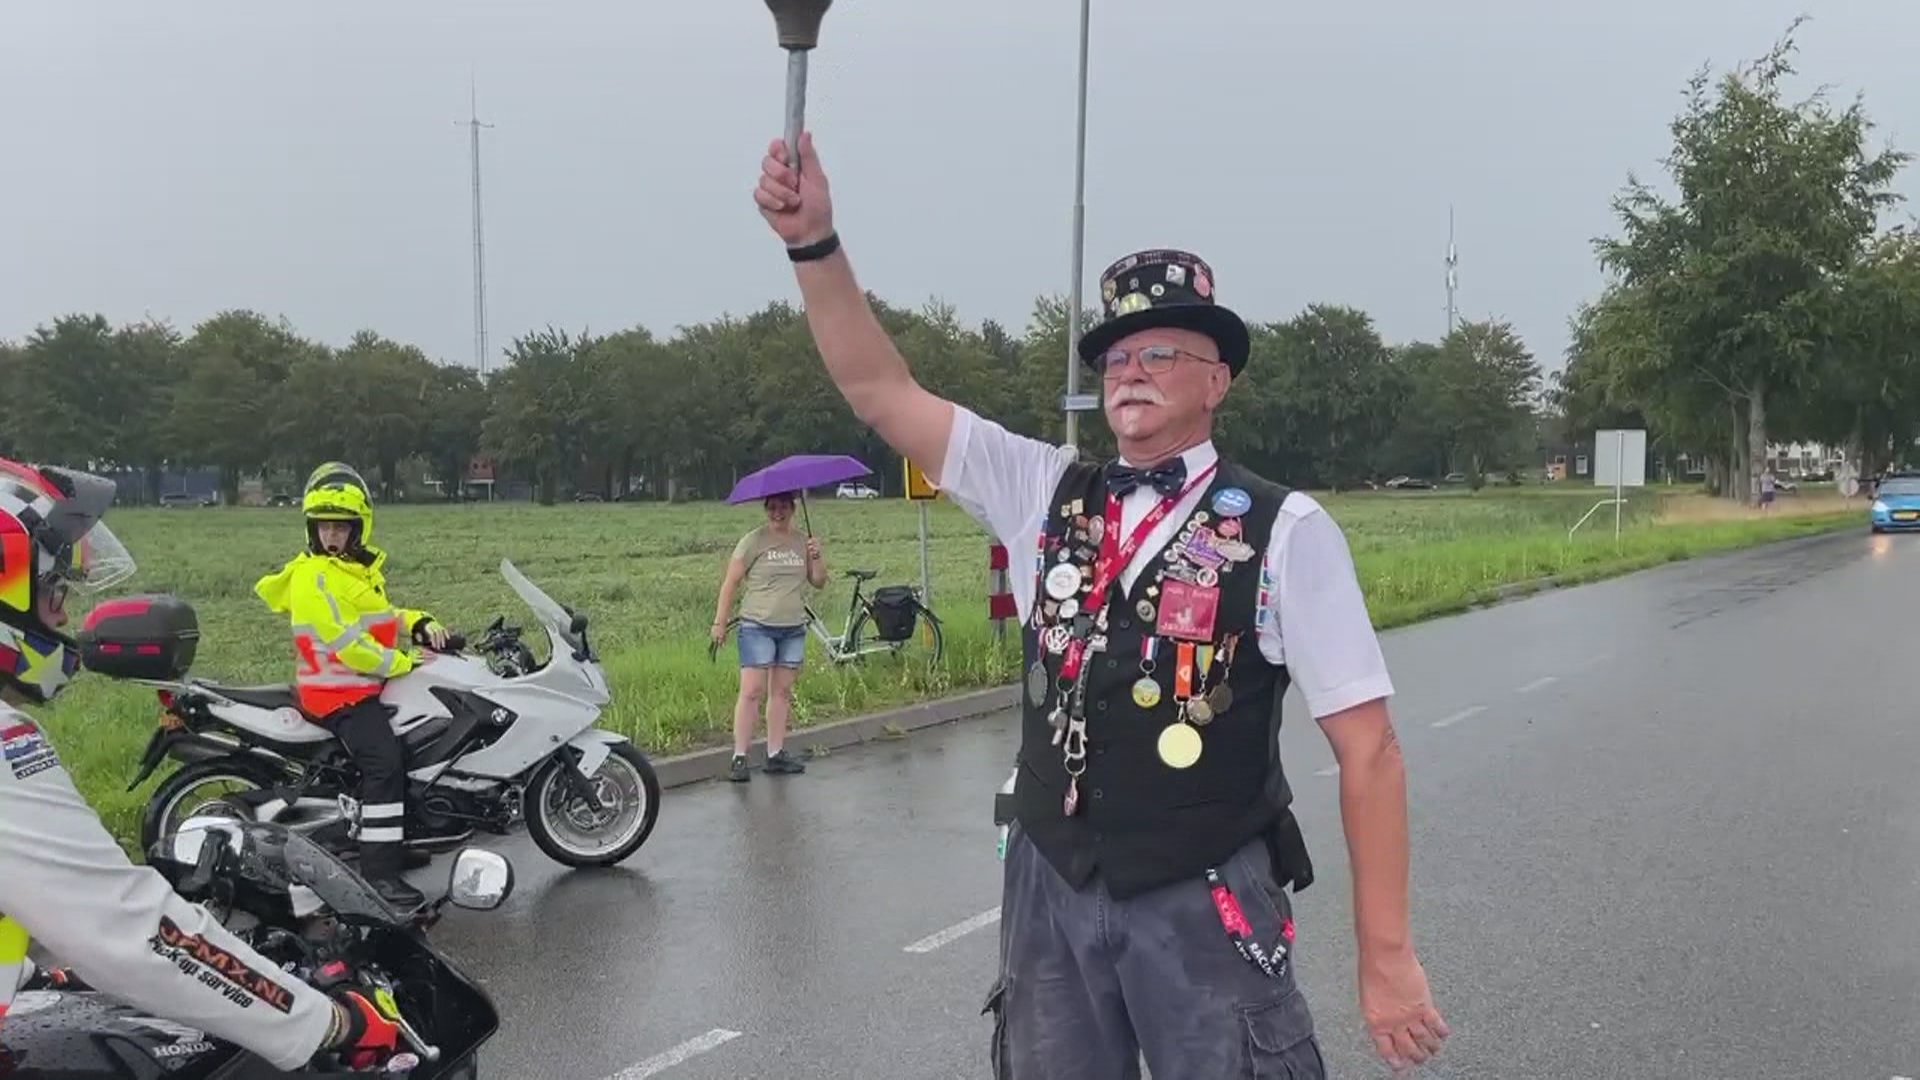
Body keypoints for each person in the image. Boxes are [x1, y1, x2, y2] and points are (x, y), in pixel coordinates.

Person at [752, 133, 1448, 1076]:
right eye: (1117, 353)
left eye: (1162, 349)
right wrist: (815, 246)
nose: (1131, 368)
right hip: (1052, 883)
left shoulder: (1289, 530)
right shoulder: (1042, 488)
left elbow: (1370, 751)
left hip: (1202, 893)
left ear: (1218, 378)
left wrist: (1388, 956)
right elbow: (880, 388)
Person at [0, 457, 404, 1070]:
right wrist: (328, 1022)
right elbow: (135, 933)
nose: (61, 614)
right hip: (340, 696)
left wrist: (28, 975)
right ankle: (385, 862)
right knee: (385, 766)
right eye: (54, 589)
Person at [254, 461, 450, 912]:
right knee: (385, 764)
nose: (331, 536)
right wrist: (400, 661)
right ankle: (380, 874)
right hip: (338, 692)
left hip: (361, 687)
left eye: (341, 527)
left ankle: (392, 838)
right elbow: (349, 645)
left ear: (357, 529)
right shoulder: (314, 576)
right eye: (324, 527)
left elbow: (379, 616)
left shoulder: (350, 572)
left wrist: (418, 619)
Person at [710, 490, 825, 782]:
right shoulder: (753, 541)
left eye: (783, 507)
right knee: (751, 692)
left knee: (782, 692)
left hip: (792, 627)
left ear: (793, 509)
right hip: (757, 626)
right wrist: (719, 623)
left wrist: (817, 556)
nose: (778, 513)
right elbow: (730, 583)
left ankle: (775, 754)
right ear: (766, 509)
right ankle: (739, 756)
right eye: (772, 508)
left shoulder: (802, 541)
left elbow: (819, 581)